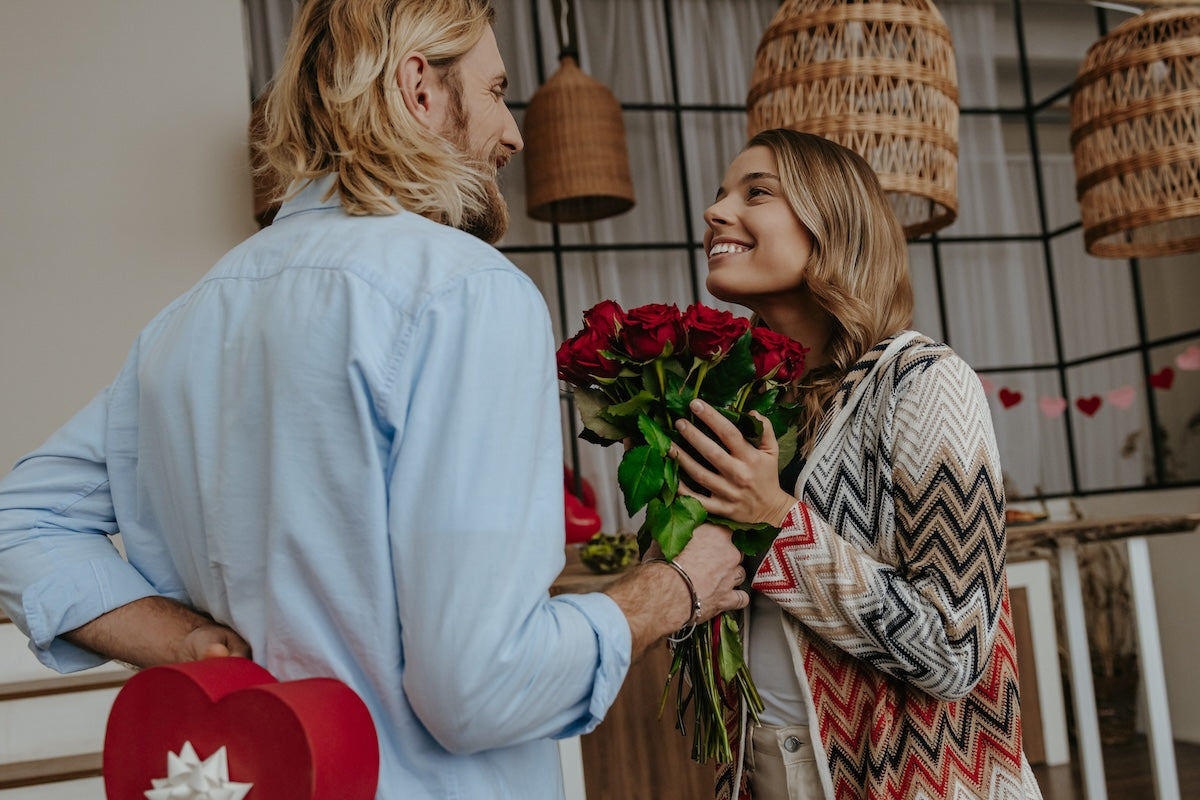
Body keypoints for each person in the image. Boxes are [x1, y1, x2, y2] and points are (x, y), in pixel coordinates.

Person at [0, 2, 748, 798]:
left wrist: (184, 639)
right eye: (496, 92)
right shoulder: (466, 291)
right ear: (419, 89)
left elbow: (20, 520)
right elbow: (479, 685)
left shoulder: (185, 322)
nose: (514, 135)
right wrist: (668, 591)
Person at [668, 129, 1043, 800]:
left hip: (907, 778)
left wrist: (777, 521)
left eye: (756, 192)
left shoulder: (924, 382)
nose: (716, 211)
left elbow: (955, 651)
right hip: (763, 769)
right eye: (720, 194)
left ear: (832, 222)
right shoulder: (748, 401)